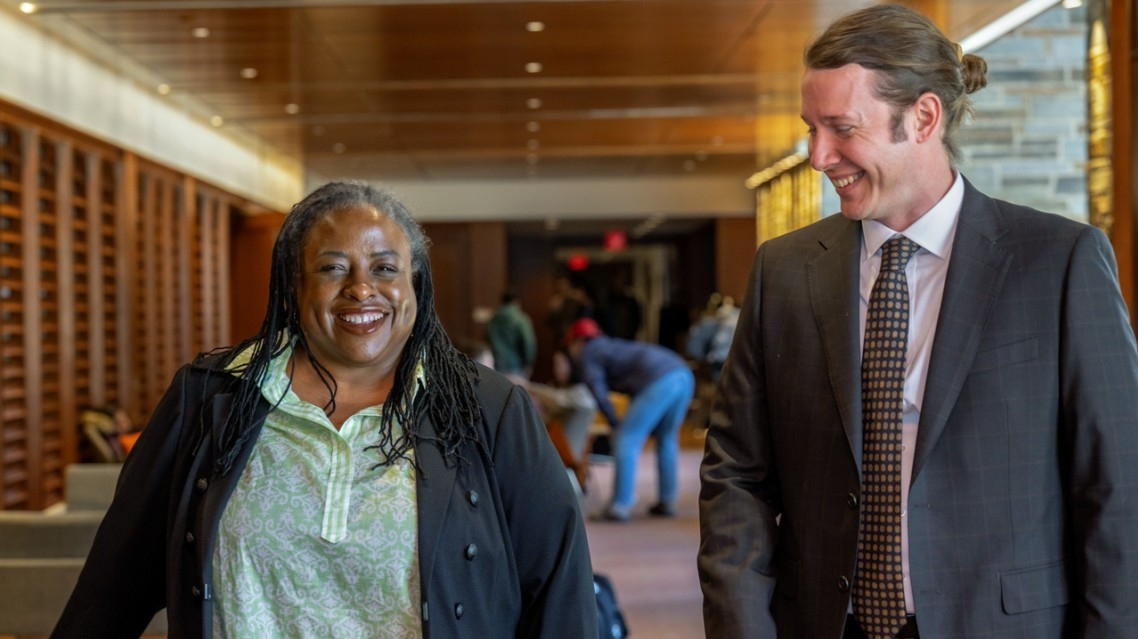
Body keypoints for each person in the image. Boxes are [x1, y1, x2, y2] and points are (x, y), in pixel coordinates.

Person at [698, 4, 1138, 639]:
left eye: (841, 128)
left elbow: (1116, 487)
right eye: (811, 129)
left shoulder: (1059, 262)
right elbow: (736, 471)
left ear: (924, 117)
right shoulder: (784, 271)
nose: (820, 156)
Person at [52, 180, 597, 638]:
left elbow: (558, 590)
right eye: (334, 269)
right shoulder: (211, 397)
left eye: (385, 269)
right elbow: (115, 584)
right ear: (295, 285)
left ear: (416, 285)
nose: (362, 290)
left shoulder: (488, 409)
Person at [564, 317, 694, 522]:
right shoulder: (609, 346)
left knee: (626, 440)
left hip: (658, 379)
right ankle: (667, 500)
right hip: (682, 373)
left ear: (577, 341)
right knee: (666, 438)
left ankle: (620, 505)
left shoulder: (588, 353)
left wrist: (614, 422)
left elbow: (597, 391)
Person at [485, 291, 537, 378]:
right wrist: (528, 363)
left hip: (496, 366)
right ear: (516, 302)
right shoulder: (521, 319)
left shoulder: (492, 320)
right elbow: (528, 343)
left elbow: (487, 341)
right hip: (516, 366)